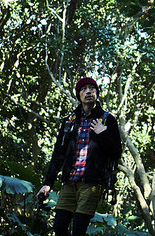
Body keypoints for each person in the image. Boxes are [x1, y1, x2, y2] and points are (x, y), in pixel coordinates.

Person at [37, 77, 122, 236]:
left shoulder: (107, 119)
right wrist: (48, 183)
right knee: (59, 226)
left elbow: (116, 153)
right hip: (70, 182)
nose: (89, 91)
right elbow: (58, 153)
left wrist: (103, 133)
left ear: (97, 93)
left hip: (91, 183)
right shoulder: (70, 121)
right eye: (84, 89)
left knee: (78, 230)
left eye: (92, 88)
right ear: (78, 95)